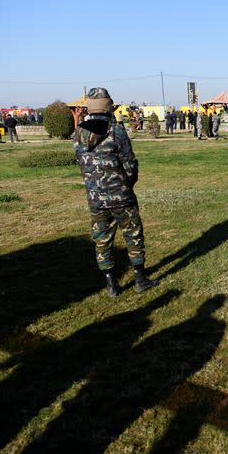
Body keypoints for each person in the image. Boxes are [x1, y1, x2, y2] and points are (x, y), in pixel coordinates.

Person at [72, 87, 158, 297]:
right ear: (108, 105)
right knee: (133, 236)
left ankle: (111, 285)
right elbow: (129, 164)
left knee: (102, 240)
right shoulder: (115, 130)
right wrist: (126, 185)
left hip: (96, 199)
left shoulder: (77, 133)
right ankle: (140, 280)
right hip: (122, 197)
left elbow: (82, 166)